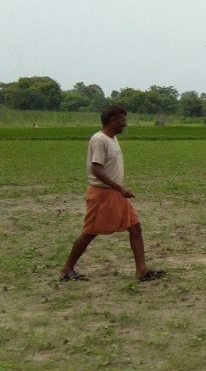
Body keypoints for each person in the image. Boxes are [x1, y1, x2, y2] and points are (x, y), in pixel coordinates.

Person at [60, 105, 164, 283]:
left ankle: (142, 270)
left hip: (115, 193)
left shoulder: (112, 139)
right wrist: (120, 188)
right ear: (112, 120)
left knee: (135, 227)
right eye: (123, 120)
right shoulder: (99, 140)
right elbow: (97, 169)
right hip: (102, 194)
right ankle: (67, 269)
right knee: (90, 232)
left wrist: (118, 190)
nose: (125, 124)